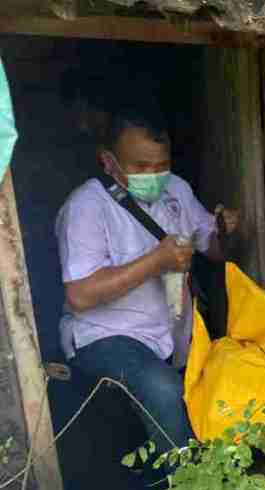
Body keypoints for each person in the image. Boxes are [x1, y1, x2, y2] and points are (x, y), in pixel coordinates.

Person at [56, 104, 238, 459]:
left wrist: (224, 230)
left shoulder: (177, 190)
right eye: (140, 167)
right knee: (164, 390)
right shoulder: (86, 207)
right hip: (105, 336)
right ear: (108, 162)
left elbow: (213, 249)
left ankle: (201, 477)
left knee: (224, 375)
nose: (153, 175)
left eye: (161, 166)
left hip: (172, 335)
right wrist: (156, 261)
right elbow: (80, 295)